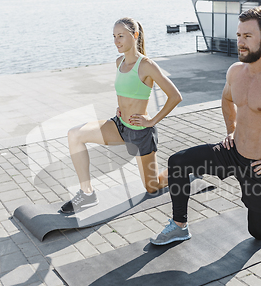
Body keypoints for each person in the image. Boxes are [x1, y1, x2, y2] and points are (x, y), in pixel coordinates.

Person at [150, 6, 261, 245]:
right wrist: (231, 130)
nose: (240, 42)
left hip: (259, 166)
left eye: (248, 36)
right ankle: (179, 226)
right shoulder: (236, 71)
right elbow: (227, 99)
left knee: (260, 231)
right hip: (230, 152)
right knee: (178, 162)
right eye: (239, 35)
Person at [61, 17, 182, 214]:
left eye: (121, 36)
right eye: (114, 36)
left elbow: (175, 96)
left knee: (153, 186)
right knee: (75, 134)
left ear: (134, 36)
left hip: (141, 133)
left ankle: (185, 169)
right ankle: (87, 193)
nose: (116, 41)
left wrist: (151, 121)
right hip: (119, 126)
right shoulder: (119, 62)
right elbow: (127, 92)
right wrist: (120, 108)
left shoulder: (146, 65)